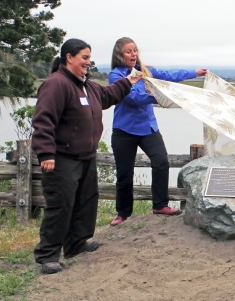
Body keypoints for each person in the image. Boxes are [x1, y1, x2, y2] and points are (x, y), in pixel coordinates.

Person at [31, 38, 142, 274]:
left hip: (86, 156)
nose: (88, 62)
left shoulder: (88, 85)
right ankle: (48, 255)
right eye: (84, 57)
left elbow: (108, 95)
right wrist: (46, 153)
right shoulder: (56, 84)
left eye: (89, 58)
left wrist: (130, 80)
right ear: (69, 58)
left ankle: (76, 244)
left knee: (86, 202)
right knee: (61, 206)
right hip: (61, 158)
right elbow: (43, 121)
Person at [108, 37, 207, 226]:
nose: (133, 54)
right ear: (119, 54)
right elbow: (134, 98)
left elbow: (169, 76)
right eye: (129, 51)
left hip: (147, 127)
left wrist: (194, 73)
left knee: (161, 161)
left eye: (135, 50)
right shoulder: (116, 75)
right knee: (124, 173)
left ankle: (160, 204)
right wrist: (159, 97)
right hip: (124, 130)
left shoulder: (146, 71)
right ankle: (123, 213)